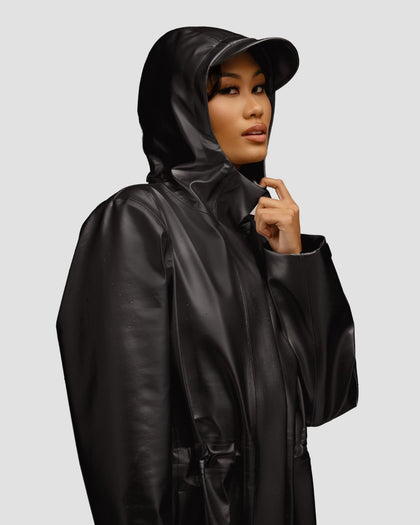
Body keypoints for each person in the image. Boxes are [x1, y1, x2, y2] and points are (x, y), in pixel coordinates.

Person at [56, 26, 359, 525]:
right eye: (228, 90)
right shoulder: (137, 220)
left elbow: (327, 400)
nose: (256, 108)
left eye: (260, 88)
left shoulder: (260, 232)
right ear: (183, 108)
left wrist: (293, 260)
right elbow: (125, 440)